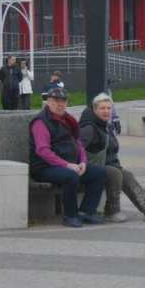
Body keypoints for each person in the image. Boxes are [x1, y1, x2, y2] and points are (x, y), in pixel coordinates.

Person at [80, 93, 145, 223]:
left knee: (127, 175)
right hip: (91, 167)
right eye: (102, 108)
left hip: (108, 165)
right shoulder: (89, 128)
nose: (106, 111)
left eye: (108, 108)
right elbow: (77, 149)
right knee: (115, 173)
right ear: (95, 110)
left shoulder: (106, 126)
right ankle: (111, 211)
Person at [29, 87, 106, 228]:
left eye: (63, 101)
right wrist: (67, 165)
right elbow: (43, 151)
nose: (60, 104)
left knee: (99, 173)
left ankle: (87, 212)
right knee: (71, 176)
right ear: (48, 102)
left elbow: (78, 143)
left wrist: (82, 161)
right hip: (43, 167)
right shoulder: (40, 122)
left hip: (68, 164)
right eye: (56, 101)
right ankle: (70, 216)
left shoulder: (68, 119)